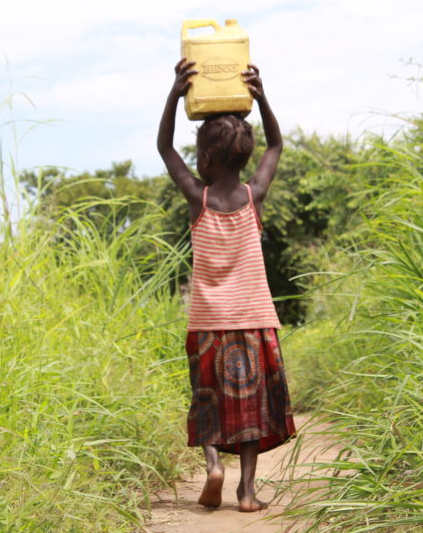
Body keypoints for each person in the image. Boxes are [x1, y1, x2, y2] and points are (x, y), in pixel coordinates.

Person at [157, 58, 296, 512]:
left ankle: (214, 465)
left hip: (208, 322)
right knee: (251, 407)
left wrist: (176, 95)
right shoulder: (254, 196)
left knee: (209, 400)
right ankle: (247, 491)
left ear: (204, 158)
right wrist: (262, 95)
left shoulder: (198, 198)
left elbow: (164, 149)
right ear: (245, 157)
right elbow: (276, 144)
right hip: (254, 319)